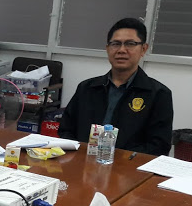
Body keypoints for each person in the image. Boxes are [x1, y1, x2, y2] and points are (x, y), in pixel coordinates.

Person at [58, 18, 173, 156]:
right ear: (107, 49)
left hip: (130, 167)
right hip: (82, 162)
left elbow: (159, 146)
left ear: (143, 49)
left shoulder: (158, 94)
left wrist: (118, 159)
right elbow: (66, 130)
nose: (121, 50)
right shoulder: (86, 88)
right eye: (115, 44)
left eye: (130, 44)